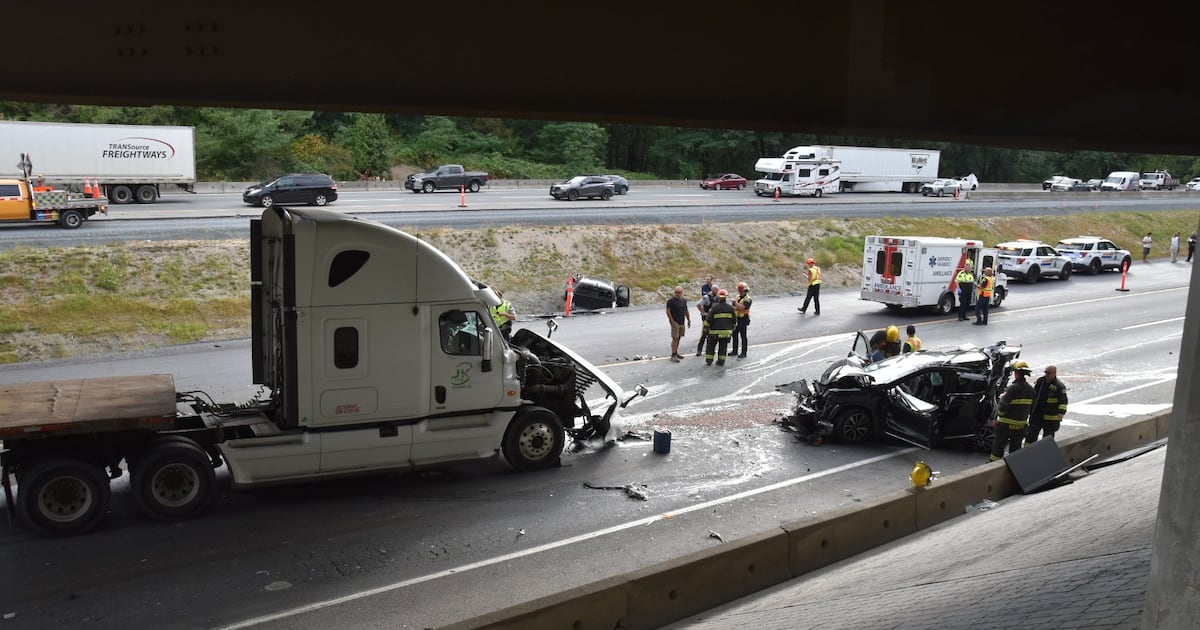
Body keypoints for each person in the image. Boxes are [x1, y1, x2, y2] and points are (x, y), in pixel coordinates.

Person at [991, 360, 1036, 461]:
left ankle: (993, 466)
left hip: (1005, 425)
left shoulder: (1012, 388)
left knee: (998, 446)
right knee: (1016, 448)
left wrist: (999, 417)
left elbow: (1002, 406)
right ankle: (1015, 468)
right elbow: (1032, 407)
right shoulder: (1031, 390)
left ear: (1016, 373)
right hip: (1021, 425)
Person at [1025, 365, 1068, 445]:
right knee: (1030, 436)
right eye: (1045, 372)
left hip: (1050, 419)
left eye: (1048, 373)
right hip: (1037, 415)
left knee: (1047, 440)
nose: (1046, 375)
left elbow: (1063, 401)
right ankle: (1028, 453)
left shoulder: (1059, 386)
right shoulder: (1041, 382)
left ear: (1054, 373)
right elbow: (1034, 395)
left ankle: (1045, 455)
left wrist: (1061, 413)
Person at [705, 289, 736, 366]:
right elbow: (734, 321)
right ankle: (721, 361)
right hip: (726, 333)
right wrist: (732, 330)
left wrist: (706, 327)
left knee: (711, 346)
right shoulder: (731, 308)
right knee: (723, 347)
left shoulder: (714, 307)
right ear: (726, 297)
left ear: (718, 297)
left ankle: (709, 360)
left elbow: (709, 319)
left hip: (714, 333)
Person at [665, 286, 691, 362]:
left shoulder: (683, 301)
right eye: (676, 292)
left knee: (679, 337)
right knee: (675, 338)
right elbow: (668, 311)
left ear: (682, 293)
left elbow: (686, 310)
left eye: (679, 292)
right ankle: (673, 354)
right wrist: (672, 321)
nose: (677, 294)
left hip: (681, 321)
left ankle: (676, 352)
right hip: (675, 322)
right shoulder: (671, 301)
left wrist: (689, 320)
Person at [731, 281, 752, 359]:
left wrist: (736, 305)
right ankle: (734, 351)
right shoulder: (737, 297)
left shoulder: (748, 299)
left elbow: (742, 307)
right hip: (737, 319)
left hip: (744, 319)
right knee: (734, 335)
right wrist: (736, 306)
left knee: (743, 336)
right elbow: (734, 306)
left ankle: (744, 352)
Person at [695, 284, 717, 356]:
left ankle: (709, 350)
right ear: (712, 290)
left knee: (711, 335)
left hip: (714, 320)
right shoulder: (707, 297)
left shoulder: (717, 298)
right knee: (704, 334)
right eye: (716, 290)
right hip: (706, 319)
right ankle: (699, 350)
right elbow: (698, 304)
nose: (717, 291)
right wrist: (703, 312)